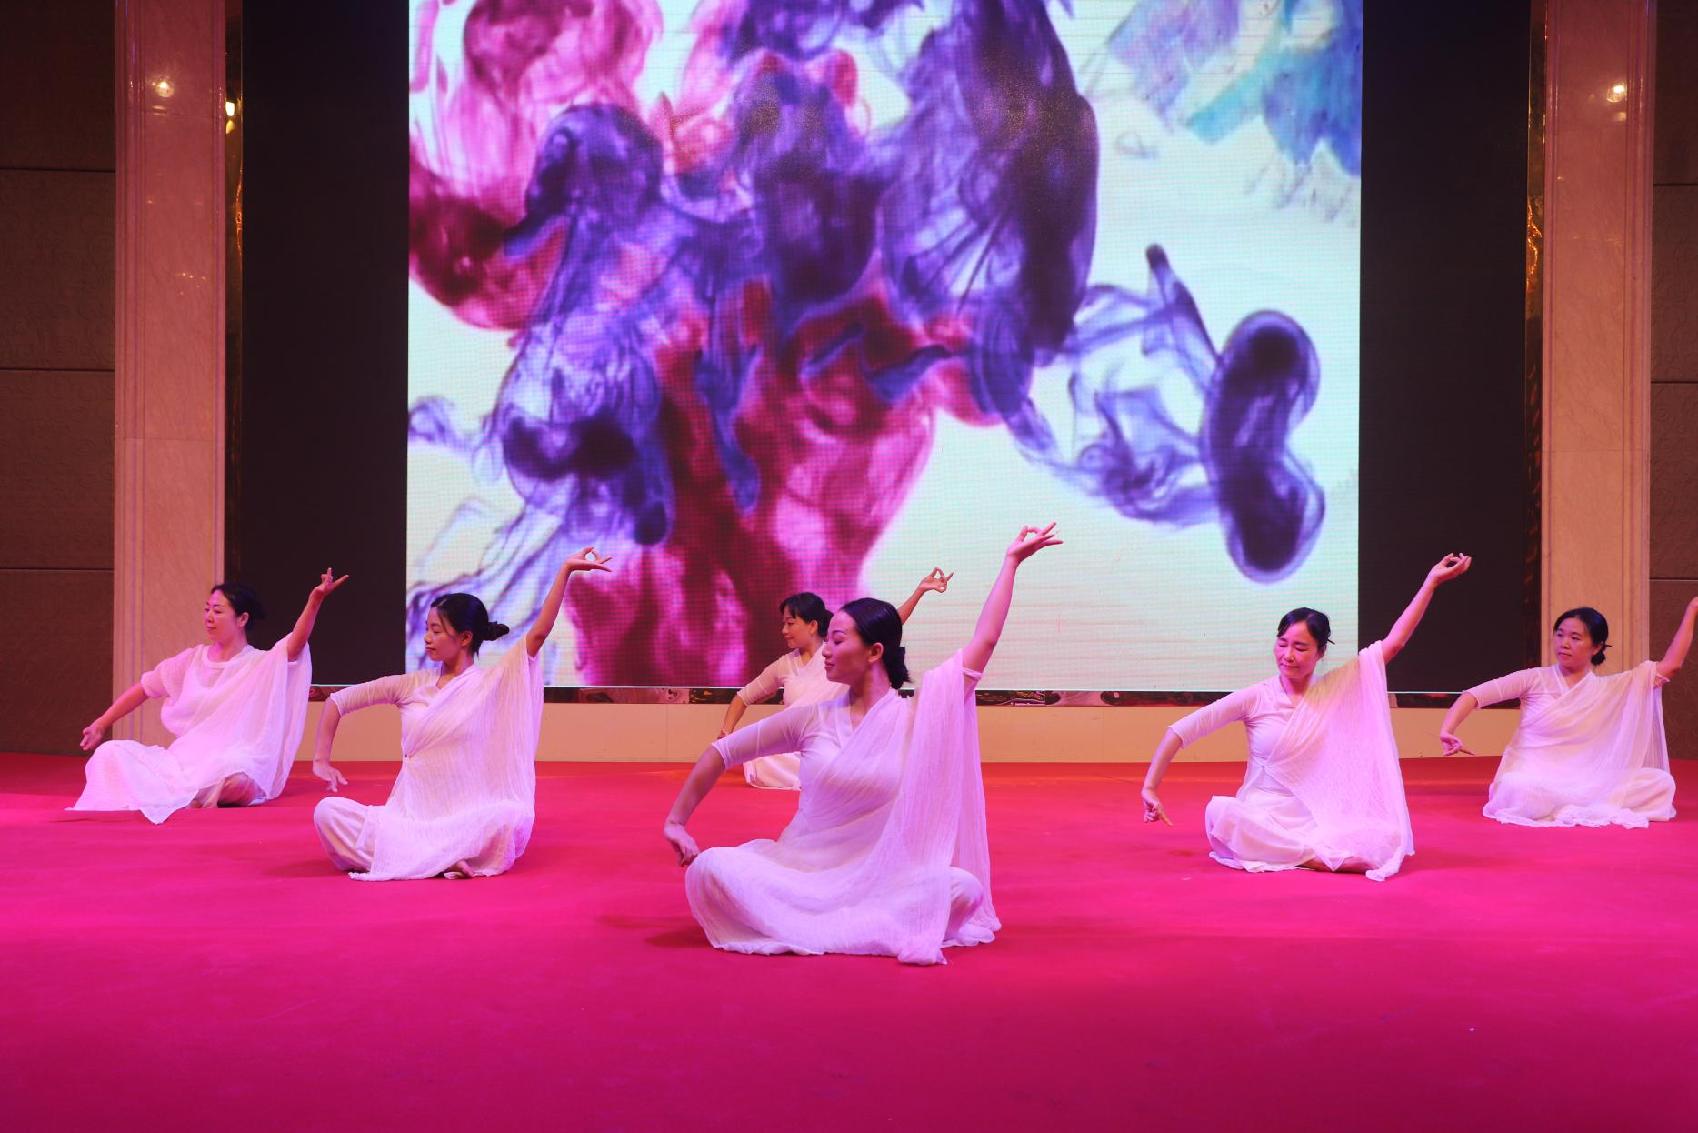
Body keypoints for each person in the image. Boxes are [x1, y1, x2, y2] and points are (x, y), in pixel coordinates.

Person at [661, 525, 1062, 964]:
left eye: (837, 640)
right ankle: (861, 927)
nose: (826, 651)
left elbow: (984, 642)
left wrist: (1011, 563)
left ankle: (839, 925)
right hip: (803, 878)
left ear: (874, 652)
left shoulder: (917, 717)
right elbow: (722, 752)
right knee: (713, 868)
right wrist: (676, 822)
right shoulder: (811, 719)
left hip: (886, 882)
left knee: (963, 888)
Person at [1140, 553, 1474, 880]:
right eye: (1282, 643)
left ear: (1320, 652)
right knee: (1221, 814)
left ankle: (1300, 850)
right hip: (1261, 814)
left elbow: (1393, 644)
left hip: (1313, 815)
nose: (1287, 655)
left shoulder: (1333, 690)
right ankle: (1316, 858)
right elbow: (1180, 731)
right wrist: (1150, 787)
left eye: (1300, 648)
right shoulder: (1256, 697)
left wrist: (1431, 583)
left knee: (1387, 834)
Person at [310, 548, 611, 880]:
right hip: (408, 821)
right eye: (427, 629)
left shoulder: (491, 683)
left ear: (465, 637)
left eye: (437, 630)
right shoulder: (410, 685)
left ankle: (420, 857)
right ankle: (439, 859)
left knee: (508, 817)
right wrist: (321, 760)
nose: (427, 638)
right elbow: (338, 702)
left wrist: (565, 570)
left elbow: (538, 634)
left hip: (461, 822)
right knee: (328, 813)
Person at [71, 570, 344, 823]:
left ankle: (186, 795)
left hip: (229, 760)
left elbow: (294, 646)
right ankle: (188, 794)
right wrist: (102, 723)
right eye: (207, 610)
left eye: (218, 611)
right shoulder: (191, 660)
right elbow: (145, 688)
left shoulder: (259, 663)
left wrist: (315, 601)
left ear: (242, 619)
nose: (209, 617)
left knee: (238, 779)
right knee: (111, 753)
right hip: (183, 763)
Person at [1440, 599, 1695, 828]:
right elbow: (1473, 696)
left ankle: (1570, 803)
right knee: (1517, 788)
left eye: (1575, 637)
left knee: (1660, 782)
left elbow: (1670, 667)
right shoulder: (1534, 679)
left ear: (1596, 647)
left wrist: (1692, 610)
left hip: (1587, 778)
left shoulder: (1609, 688)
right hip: (1535, 778)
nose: (1564, 643)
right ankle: (1581, 803)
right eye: (1560, 634)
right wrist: (1448, 729)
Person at [723, 569, 954, 790]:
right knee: (764, 758)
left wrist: (918, 593)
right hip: (797, 749)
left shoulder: (837, 655)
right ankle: (830, 776)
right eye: (783, 624)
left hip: (835, 743)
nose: (784, 630)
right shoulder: (782, 665)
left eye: (790, 623)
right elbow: (743, 697)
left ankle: (835, 774)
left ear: (812, 625)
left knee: (845, 757)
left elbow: (890, 624)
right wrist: (726, 731)